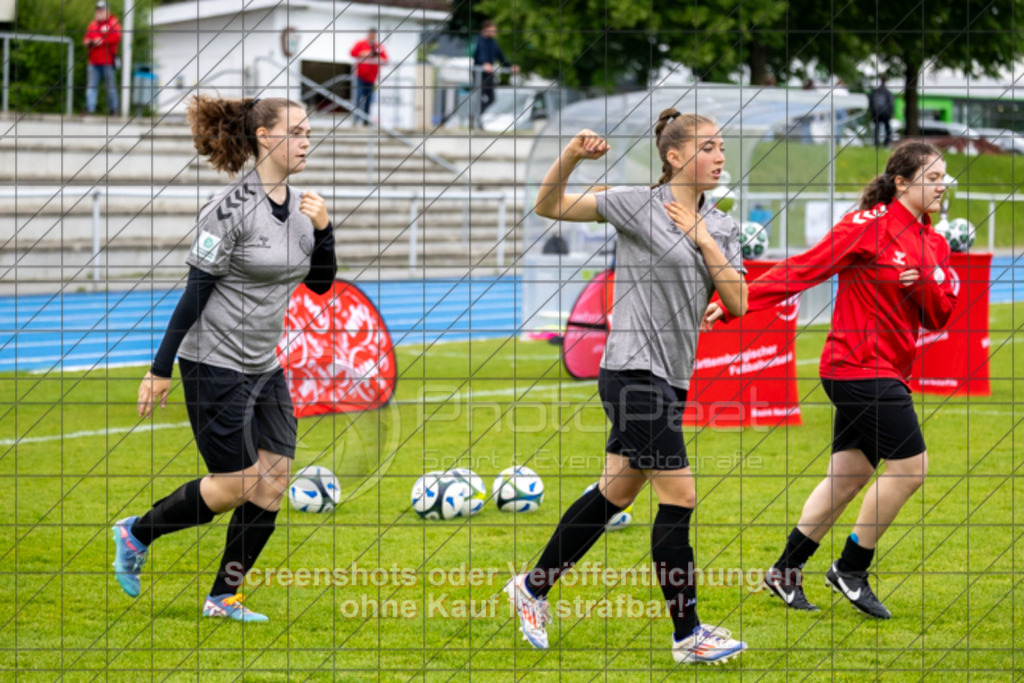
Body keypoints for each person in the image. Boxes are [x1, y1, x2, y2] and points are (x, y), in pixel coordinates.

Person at [506, 109, 750, 664]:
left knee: (615, 493)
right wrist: (571, 156)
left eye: (721, 147)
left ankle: (532, 588)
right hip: (631, 374)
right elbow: (549, 206)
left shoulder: (723, 226)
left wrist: (702, 240)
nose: (719, 156)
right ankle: (688, 635)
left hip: (673, 377)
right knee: (680, 497)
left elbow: (738, 302)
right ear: (674, 156)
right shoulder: (638, 203)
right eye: (708, 147)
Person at [704, 141, 957, 619]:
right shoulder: (866, 226)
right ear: (901, 182)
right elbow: (802, 269)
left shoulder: (935, 243)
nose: (942, 186)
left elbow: (940, 315)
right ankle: (851, 569)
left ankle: (785, 570)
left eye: (944, 177)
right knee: (910, 468)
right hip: (856, 367)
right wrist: (737, 302)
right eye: (933, 177)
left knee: (849, 477)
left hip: (888, 370)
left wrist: (924, 282)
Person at [111, 96, 338, 621]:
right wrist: (160, 368)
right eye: (297, 132)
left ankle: (223, 597)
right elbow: (195, 289)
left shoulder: (305, 208)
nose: (307, 141)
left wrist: (325, 230)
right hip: (212, 361)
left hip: (263, 364)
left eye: (309, 132)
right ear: (265, 137)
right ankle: (137, 532)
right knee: (236, 485)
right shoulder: (229, 208)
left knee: (273, 482)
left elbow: (321, 285)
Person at [472, 20, 518, 129]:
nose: (495, 33)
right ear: (485, 29)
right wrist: (484, 63)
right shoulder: (480, 40)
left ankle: (476, 117)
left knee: (491, 98)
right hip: (480, 74)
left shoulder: (493, 43)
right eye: (492, 30)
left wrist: (510, 66)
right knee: (480, 96)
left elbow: (501, 57)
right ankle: (475, 119)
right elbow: (480, 55)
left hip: (489, 74)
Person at [83, 1, 121, 115]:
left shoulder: (113, 23)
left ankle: (113, 109)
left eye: (102, 10)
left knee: (110, 87)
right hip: (93, 62)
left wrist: (102, 41)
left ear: (107, 11)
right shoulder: (93, 24)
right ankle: (90, 108)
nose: (99, 12)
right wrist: (90, 41)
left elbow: (116, 37)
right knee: (91, 86)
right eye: (98, 10)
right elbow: (86, 38)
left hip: (107, 61)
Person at [350, 28, 388, 125]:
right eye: (371, 35)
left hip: (372, 78)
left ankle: (365, 121)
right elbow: (352, 53)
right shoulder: (360, 44)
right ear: (368, 34)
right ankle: (355, 120)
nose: (372, 36)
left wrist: (377, 57)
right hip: (360, 76)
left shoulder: (379, 46)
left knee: (369, 99)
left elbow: (386, 60)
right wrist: (364, 54)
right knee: (358, 98)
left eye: (374, 35)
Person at [869, 78, 895, 147]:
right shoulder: (887, 92)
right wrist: (892, 112)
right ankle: (886, 143)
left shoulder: (875, 91)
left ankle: (876, 143)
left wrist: (872, 112)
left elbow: (871, 102)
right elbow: (890, 102)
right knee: (887, 128)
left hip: (876, 111)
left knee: (876, 128)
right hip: (885, 112)